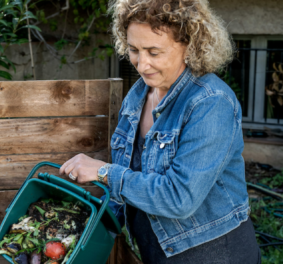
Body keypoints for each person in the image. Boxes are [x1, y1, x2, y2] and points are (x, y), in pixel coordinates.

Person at [59, 0, 261, 263]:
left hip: (211, 253)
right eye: (134, 50)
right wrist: (83, 228)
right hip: (156, 249)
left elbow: (180, 198)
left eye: (154, 53)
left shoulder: (210, 102)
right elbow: (131, 178)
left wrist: (103, 172)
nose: (141, 65)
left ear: (190, 46)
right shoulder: (139, 94)